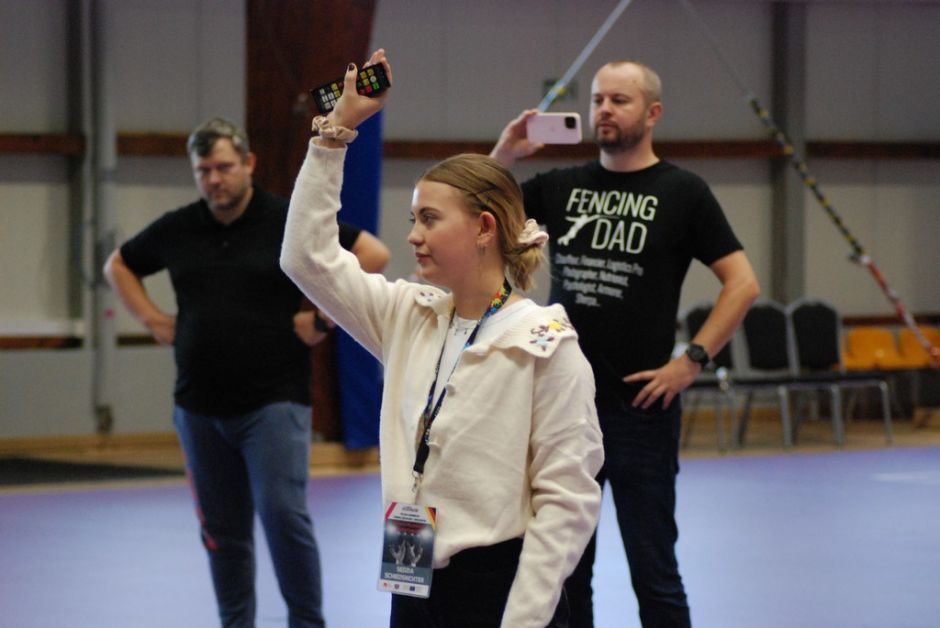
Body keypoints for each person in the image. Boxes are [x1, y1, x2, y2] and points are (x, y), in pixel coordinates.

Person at [280, 49, 604, 628]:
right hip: (412, 568)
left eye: (429, 219)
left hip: (501, 590)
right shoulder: (407, 315)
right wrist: (333, 136)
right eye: (414, 219)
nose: (413, 236)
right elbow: (305, 258)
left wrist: (523, 620)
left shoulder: (546, 345)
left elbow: (567, 503)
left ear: (484, 228)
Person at [490, 60, 761, 627]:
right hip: (564, 406)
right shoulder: (562, 186)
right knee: (565, 572)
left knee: (654, 570)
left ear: (652, 113)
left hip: (642, 408)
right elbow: (479, 216)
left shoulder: (683, 192)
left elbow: (742, 284)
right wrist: (507, 152)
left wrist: (691, 361)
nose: (604, 110)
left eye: (620, 100)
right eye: (597, 100)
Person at [103, 117, 389, 628]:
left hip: (274, 401)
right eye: (204, 170)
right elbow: (118, 265)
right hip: (198, 407)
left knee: (283, 518)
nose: (214, 179)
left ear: (248, 164)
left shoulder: (284, 219)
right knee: (221, 531)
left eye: (224, 167)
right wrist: (151, 319)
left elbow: (372, 251)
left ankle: (307, 622)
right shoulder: (178, 228)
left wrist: (323, 316)